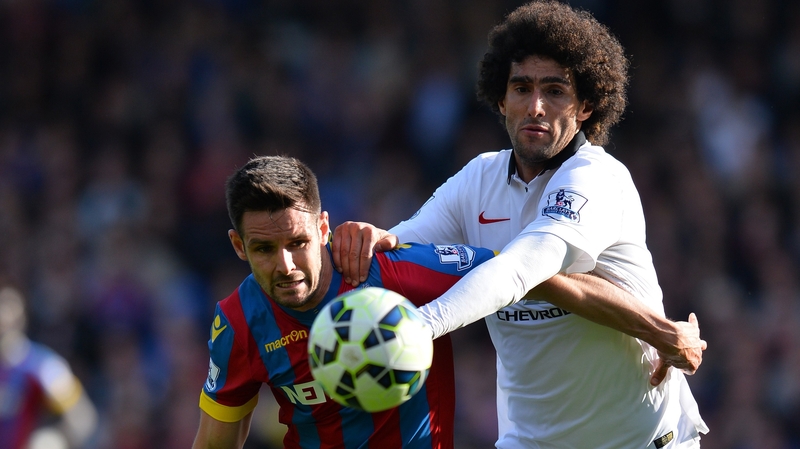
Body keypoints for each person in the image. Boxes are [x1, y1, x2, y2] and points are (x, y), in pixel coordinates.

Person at [332, 1, 710, 448]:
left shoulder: (596, 178)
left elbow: (521, 270)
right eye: (521, 88)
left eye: (555, 91)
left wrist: (421, 325)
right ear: (500, 98)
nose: (536, 107)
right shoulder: (478, 179)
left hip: (641, 439)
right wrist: (375, 239)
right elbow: (406, 250)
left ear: (585, 105)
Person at [191, 155, 688, 449]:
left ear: (323, 228)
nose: (287, 265)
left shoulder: (394, 273)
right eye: (263, 249)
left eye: (297, 242)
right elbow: (216, 441)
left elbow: (540, 277)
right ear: (239, 247)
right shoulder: (237, 325)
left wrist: (660, 331)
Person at [0, 285, 98, 449]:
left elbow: (82, 418)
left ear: (21, 320)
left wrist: (54, 440)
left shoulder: (40, 366)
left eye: (9, 318)